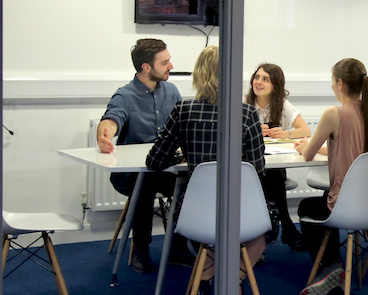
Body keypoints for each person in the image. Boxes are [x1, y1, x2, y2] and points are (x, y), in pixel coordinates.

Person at [146, 46, 270, 295]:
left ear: (199, 74)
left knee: (209, 234)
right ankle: (234, 280)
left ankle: (205, 276)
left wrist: (181, 155)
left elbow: (154, 161)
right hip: (240, 210)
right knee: (265, 227)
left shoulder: (183, 111)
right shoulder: (246, 114)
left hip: (195, 212)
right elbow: (257, 168)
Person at [97, 38, 193, 273]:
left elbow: (183, 124)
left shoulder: (171, 91)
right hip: (133, 175)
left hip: (167, 169)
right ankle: (141, 247)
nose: (171, 66)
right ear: (146, 67)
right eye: (165, 62)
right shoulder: (125, 95)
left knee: (192, 179)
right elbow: (111, 119)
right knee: (145, 180)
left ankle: (178, 247)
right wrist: (105, 135)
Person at [294, 58, 368, 295]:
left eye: (333, 82)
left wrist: (304, 146)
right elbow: (366, 154)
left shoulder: (333, 113)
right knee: (326, 198)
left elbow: (307, 155)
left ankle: (330, 267)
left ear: (341, 83)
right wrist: (326, 148)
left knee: (308, 206)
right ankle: (334, 267)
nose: (332, 87)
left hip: (344, 205)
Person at [245, 63, 310, 252]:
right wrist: (254, 130)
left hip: (272, 161)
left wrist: (286, 134)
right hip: (249, 163)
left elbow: (305, 130)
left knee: (274, 177)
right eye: (257, 77)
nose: (259, 82)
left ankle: (265, 236)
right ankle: (287, 227)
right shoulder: (243, 103)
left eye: (266, 79)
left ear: (276, 85)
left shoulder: (281, 104)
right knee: (272, 180)